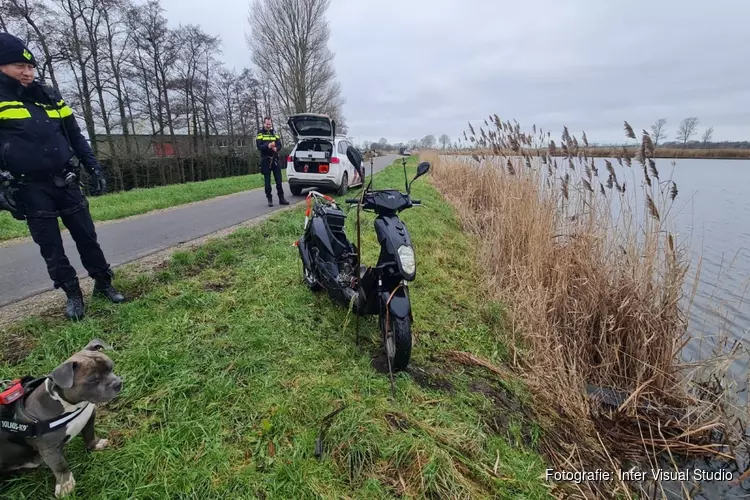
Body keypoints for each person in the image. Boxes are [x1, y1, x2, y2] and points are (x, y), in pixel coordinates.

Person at [0, 33, 125, 320]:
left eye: (31, 67)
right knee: (51, 247)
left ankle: (104, 282)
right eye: (20, 66)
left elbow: (75, 135)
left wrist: (93, 166)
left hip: (65, 179)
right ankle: (72, 293)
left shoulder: (49, 97)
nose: (28, 72)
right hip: (28, 187)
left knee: (87, 237)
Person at [256, 116, 289, 207]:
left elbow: (279, 144)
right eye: (267, 124)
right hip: (265, 159)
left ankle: (281, 198)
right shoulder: (260, 133)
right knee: (267, 181)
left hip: (275, 158)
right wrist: (268, 146)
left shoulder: (274, 132)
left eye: (270, 124)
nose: (268, 126)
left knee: (279, 180)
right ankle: (269, 199)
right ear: (264, 123)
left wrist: (276, 148)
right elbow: (259, 146)